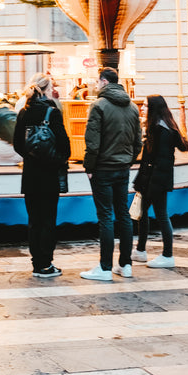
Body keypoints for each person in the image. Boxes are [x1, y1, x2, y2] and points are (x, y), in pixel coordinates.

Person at [80, 67, 142, 282]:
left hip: (103, 169)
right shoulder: (132, 107)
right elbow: (138, 142)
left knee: (105, 216)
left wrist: (89, 167)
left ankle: (105, 267)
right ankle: (126, 265)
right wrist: (128, 160)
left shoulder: (98, 106)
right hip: (122, 168)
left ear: (104, 82)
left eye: (97, 82)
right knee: (123, 214)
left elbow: (92, 142)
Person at [13, 72, 71, 278]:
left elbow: (18, 144)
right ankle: (46, 264)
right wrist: (55, 158)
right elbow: (65, 145)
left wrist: (32, 157)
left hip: (30, 175)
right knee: (48, 219)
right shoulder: (52, 112)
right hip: (49, 176)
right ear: (46, 90)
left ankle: (36, 262)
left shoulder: (23, 112)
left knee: (34, 220)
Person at [132, 95, 188, 268]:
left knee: (161, 215)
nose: (142, 108)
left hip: (156, 180)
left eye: (146, 106)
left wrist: (151, 184)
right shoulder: (160, 126)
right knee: (142, 212)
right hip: (152, 178)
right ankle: (141, 250)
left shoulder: (161, 130)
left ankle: (167, 255)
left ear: (154, 109)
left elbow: (161, 160)